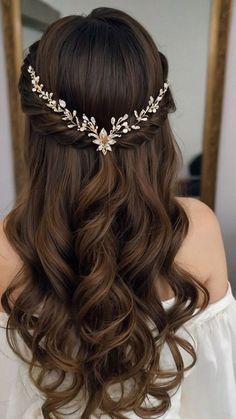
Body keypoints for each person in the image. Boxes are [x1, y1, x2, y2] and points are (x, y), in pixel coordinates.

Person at [0, 7, 235, 419]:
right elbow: (214, 401)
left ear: (36, 133)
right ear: (157, 128)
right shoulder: (197, 230)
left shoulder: (6, 245)